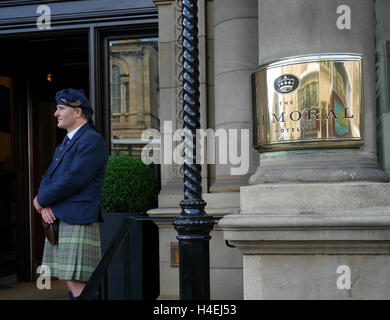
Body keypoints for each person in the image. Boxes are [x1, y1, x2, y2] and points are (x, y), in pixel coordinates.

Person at [33, 88, 108, 300]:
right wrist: (45, 205)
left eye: (60, 108)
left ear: (78, 112)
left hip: (78, 217)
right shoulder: (65, 144)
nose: (56, 113)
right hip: (63, 216)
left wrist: (41, 200)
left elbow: (74, 179)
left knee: (78, 284)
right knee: (71, 281)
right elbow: (50, 177)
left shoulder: (91, 140)